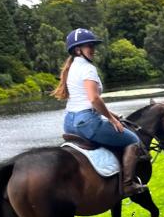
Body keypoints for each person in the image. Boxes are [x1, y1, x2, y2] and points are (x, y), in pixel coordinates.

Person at [52, 28, 147, 197]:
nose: (93, 49)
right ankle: (127, 185)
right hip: (87, 123)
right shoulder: (88, 69)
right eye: (89, 46)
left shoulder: (72, 67)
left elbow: (85, 100)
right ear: (77, 49)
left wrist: (109, 113)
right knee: (133, 139)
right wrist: (112, 119)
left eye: (93, 45)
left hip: (69, 122)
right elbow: (94, 99)